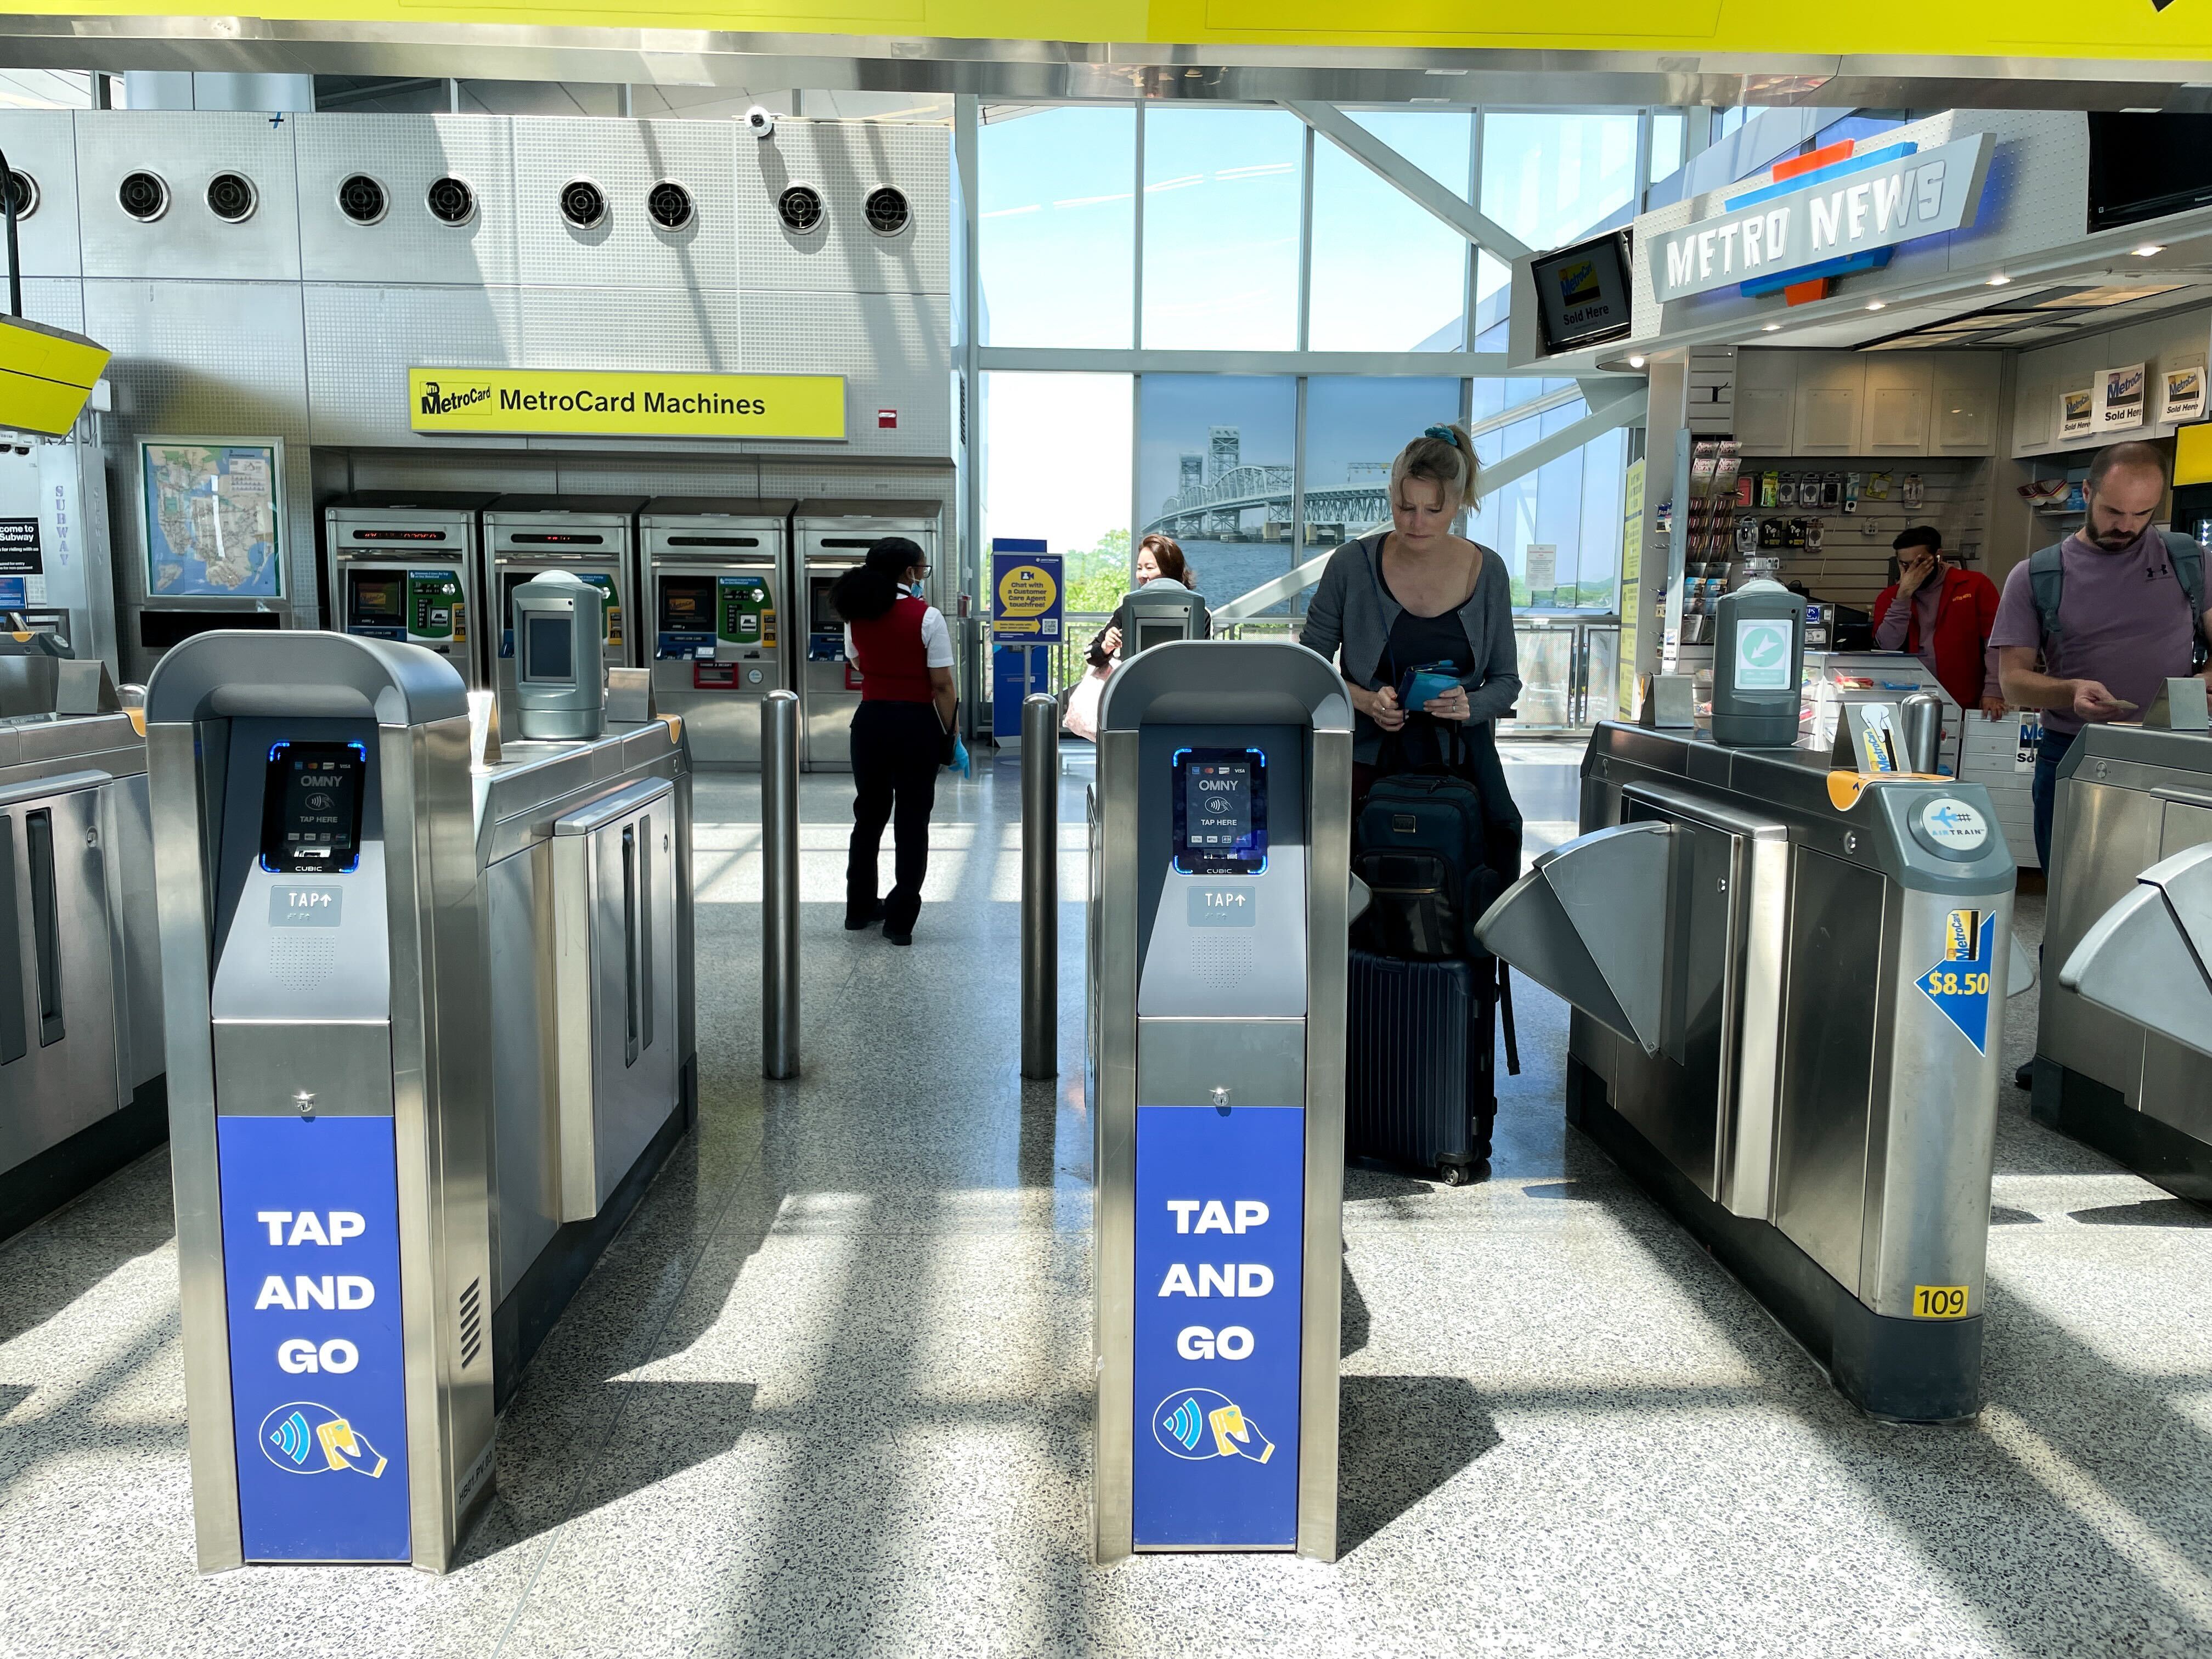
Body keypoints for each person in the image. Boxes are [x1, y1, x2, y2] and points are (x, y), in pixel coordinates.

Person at [1299, 422, 1522, 855]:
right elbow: (1307, 672)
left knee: (1489, 855)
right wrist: (1366, 702)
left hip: (1460, 764)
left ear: (1458, 504)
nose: (1416, 523)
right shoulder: (1351, 565)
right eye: (1405, 507)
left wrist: (1468, 705)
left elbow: (1507, 681)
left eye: (1433, 511)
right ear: (1390, 496)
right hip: (1364, 764)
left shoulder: (1487, 570)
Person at [1993, 440, 2212, 873]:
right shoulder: (2036, 575)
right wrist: (2070, 691)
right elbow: (2012, 680)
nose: (2127, 526)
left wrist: (2206, 679)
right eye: (2114, 511)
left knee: (2167, 895)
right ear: (2088, 493)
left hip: (2173, 751)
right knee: (2072, 894)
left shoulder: (2192, 560)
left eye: (2142, 514)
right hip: (2075, 751)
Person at [836, 536, 958, 946]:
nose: (923, 575)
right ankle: (900, 920)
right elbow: (942, 685)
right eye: (922, 568)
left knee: (868, 816)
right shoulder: (927, 617)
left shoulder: (856, 613)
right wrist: (951, 735)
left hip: (869, 723)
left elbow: (858, 662)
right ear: (910, 572)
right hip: (915, 725)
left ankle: (858, 910)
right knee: (912, 820)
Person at [1871, 526, 2006, 719]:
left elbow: (1996, 642)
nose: (1913, 572)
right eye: (1906, 565)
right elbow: (1887, 645)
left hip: (1965, 699)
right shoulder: (1890, 598)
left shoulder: (1975, 586)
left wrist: (1993, 691)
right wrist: (1903, 597)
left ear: (1938, 556)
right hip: (1908, 701)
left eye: (1920, 563)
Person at [1086, 533, 1209, 669]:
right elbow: (1090, 654)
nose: (1143, 575)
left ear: (1170, 570)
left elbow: (1203, 661)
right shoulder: (1126, 612)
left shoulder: (1200, 615)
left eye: (1149, 568)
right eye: (1139, 568)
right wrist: (1106, 647)